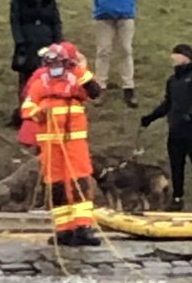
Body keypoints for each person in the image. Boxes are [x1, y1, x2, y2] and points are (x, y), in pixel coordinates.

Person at [20, 42, 103, 247]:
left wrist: (78, 69)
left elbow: (94, 91)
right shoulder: (41, 83)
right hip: (50, 142)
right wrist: (38, 113)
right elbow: (27, 107)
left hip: (73, 140)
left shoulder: (76, 79)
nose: (54, 67)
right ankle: (63, 228)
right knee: (56, 184)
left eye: (58, 62)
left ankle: (83, 226)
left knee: (79, 181)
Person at [140, 43, 192, 212]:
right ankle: (177, 198)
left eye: (176, 55)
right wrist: (151, 117)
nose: (172, 59)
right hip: (176, 129)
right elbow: (168, 103)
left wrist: (191, 114)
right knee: (176, 164)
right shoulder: (173, 80)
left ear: (185, 56)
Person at [10, 0, 62, 125]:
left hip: (47, 43)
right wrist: (20, 43)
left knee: (49, 80)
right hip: (27, 45)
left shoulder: (50, 2)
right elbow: (15, 22)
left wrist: (58, 43)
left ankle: (48, 111)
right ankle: (26, 115)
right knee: (26, 81)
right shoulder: (18, 3)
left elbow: (56, 22)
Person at [92, 0, 136, 108]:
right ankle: (100, 86)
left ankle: (128, 87)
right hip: (104, 14)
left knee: (126, 51)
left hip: (125, 14)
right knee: (103, 51)